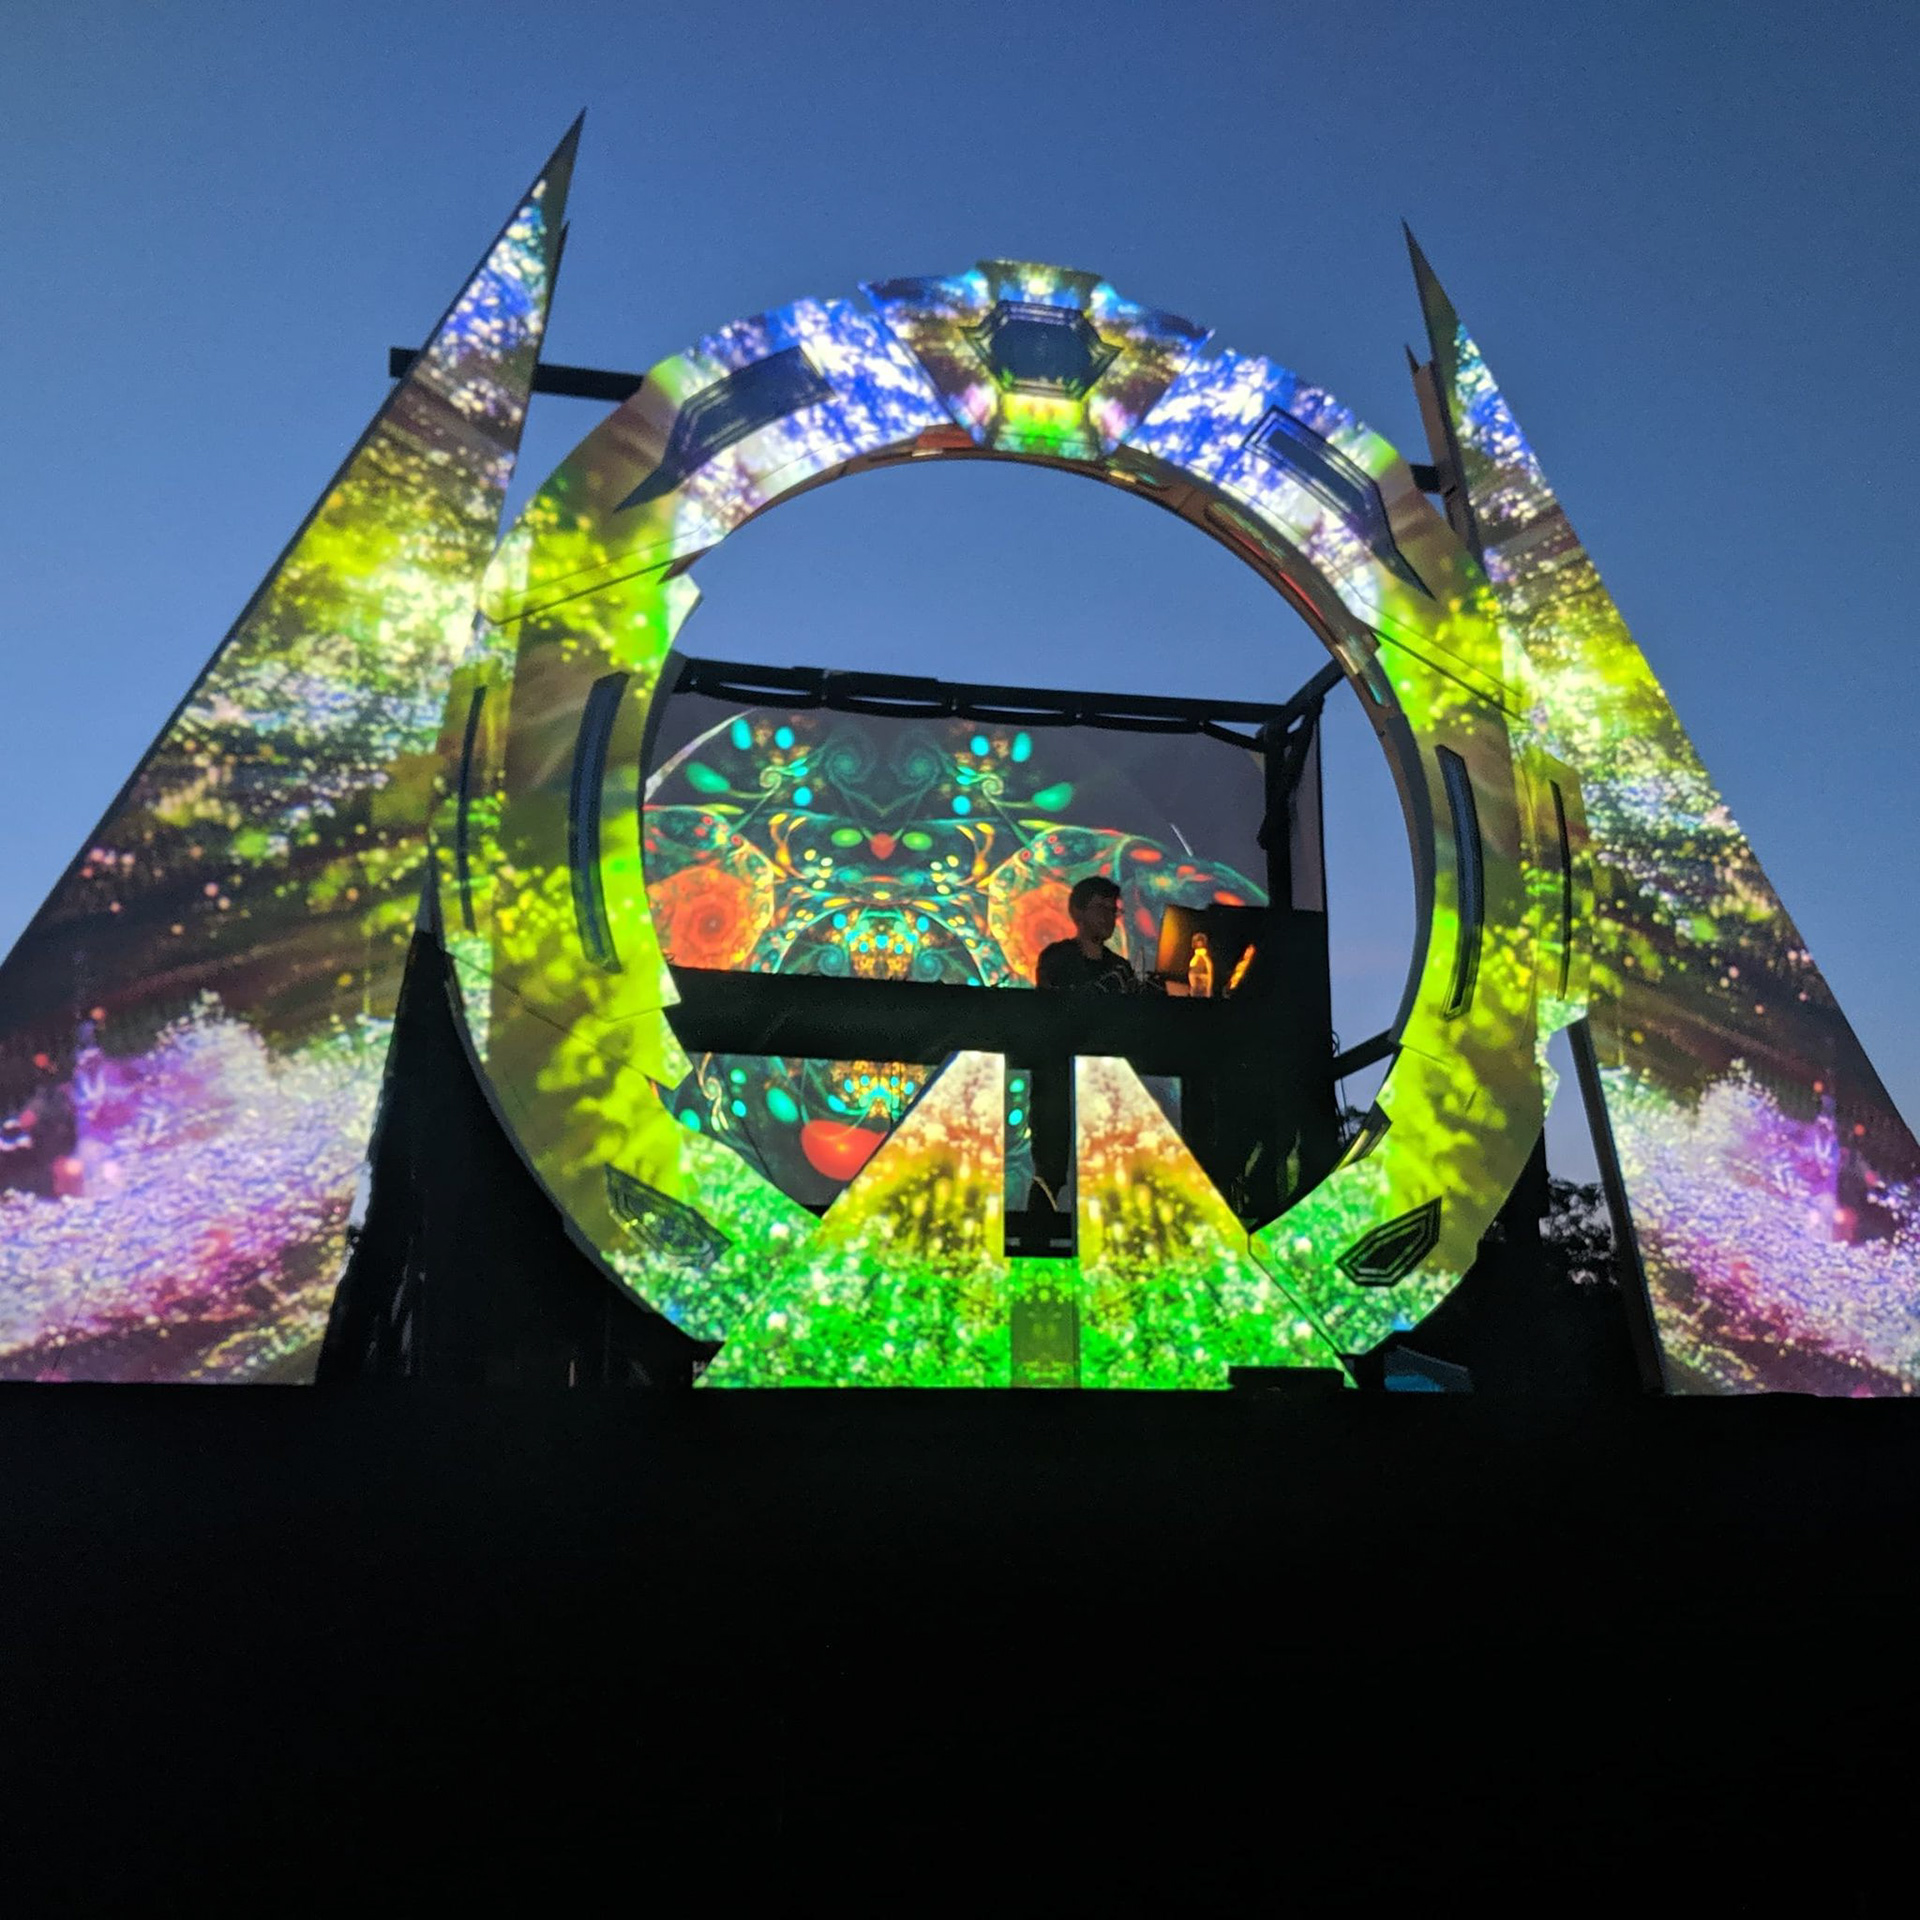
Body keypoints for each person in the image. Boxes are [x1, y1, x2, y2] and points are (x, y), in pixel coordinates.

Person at [1035, 876, 1134, 992]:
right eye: (1100, 907)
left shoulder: (1120, 967)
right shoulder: (1056, 957)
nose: (1108, 916)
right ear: (1077, 912)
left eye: (1112, 910)